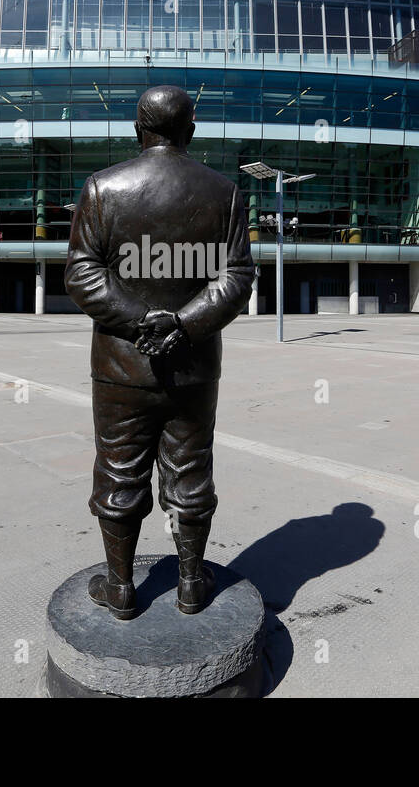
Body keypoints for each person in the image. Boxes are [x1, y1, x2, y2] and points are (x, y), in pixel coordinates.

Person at [65, 85, 254, 620]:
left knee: (119, 471)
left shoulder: (103, 188)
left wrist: (140, 321)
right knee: (191, 470)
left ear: (137, 130)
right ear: (190, 131)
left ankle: (121, 587)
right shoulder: (224, 192)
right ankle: (192, 583)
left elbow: (82, 273)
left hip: (122, 366)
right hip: (193, 366)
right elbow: (237, 278)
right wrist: (183, 325)